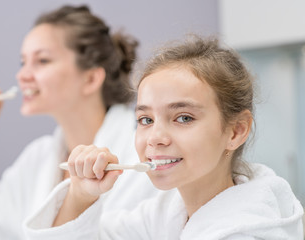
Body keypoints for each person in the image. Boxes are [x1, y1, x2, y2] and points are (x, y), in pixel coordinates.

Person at [23, 35, 304, 239]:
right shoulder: (166, 215)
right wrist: (80, 193)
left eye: (183, 118)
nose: (155, 137)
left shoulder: (244, 232)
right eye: (146, 119)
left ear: (236, 131)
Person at [0, 5, 158, 240]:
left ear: (90, 78)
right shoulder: (37, 159)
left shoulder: (142, 157)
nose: (22, 75)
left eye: (42, 60)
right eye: (22, 62)